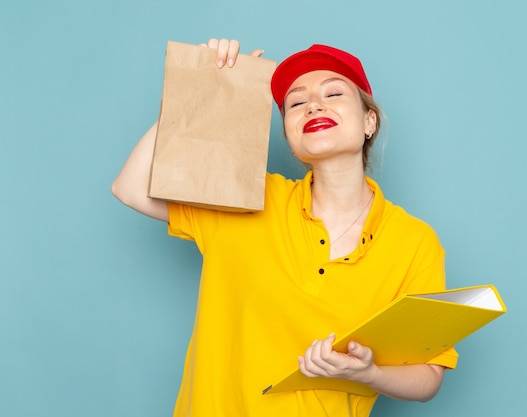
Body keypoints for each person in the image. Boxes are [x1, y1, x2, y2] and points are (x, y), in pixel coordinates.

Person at [112, 38, 458, 417]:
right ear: (290, 137)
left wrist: (369, 372)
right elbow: (129, 187)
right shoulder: (246, 196)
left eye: (334, 92)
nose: (314, 104)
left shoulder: (414, 242)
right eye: (296, 102)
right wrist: (197, 87)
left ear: (369, 121)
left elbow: (428, 376)